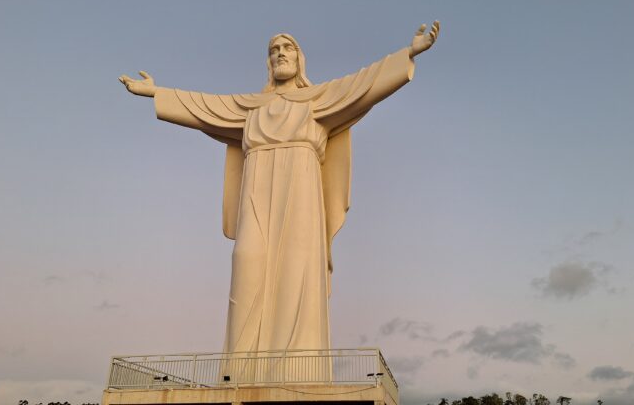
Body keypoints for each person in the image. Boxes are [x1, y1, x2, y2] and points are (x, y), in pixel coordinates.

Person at [119, 21, 439, 356]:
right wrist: (157, 93)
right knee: (247, 259)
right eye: (274, 50)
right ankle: (239, 367)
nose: (280, 54)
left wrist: (409, 53)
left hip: (301, 189)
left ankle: (297, 363)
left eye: (287, 48)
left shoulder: (318, 100)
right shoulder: (250, 107)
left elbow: (365, 83)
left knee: (296, 269)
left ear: (300, 59)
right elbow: (204, 106)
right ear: (268, 62)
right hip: (256, 189)